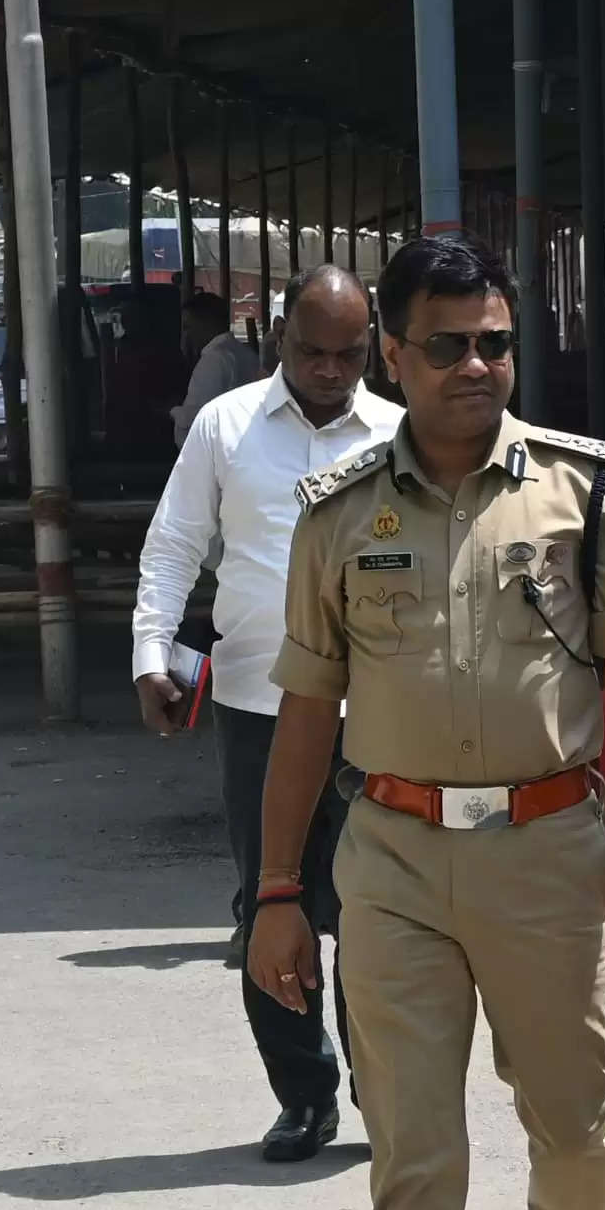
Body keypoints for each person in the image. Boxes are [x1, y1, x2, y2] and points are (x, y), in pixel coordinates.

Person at [243, 239, 605, 1210]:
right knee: (413, 1147)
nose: (478, 365)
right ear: (393, 356)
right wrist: (278, 890)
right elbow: (305, 714)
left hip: (545, 846)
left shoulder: (581, 489)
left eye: (495, 342)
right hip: (389, 856)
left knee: (571, 1118)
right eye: (449, 345)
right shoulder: (338, 512)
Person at [132, 267, 401, 1159]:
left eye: (349, 354)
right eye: (311, 351)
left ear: (375, 348)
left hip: (377, 718)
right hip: (258, 708)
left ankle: (387, 1088)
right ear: (277, 336)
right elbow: (175, 543)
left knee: (377, 911)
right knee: (269, 904)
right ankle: (305, 1093)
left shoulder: (402, 437)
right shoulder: (227, 426)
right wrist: (150, 653)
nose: (329, 370)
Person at [177, 287, 268, 440]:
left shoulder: (213, 360)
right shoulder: (247, 355)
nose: (187, 335)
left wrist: (172, 411)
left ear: (206, 324)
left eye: (188, 327)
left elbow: (197, 417)